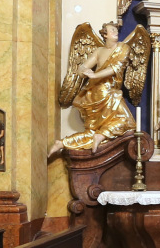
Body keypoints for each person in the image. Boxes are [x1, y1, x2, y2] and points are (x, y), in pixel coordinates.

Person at [51, 21, 139, 155]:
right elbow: (83, 68)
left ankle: (63, 143)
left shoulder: (122, 48)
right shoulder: (101, 51)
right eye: (112, 30)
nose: (116, 32)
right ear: (105, 35)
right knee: (127, 121)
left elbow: (115, 68)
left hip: (97, 93)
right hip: (105, 93)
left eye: (116, 30)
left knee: (91, 132)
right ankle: (102, 135)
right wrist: (84, 72)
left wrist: (94, 75)